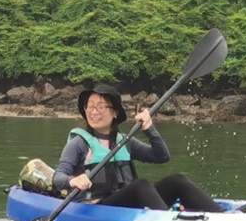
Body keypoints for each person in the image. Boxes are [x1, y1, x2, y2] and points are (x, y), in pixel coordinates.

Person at [52, 83, 223, 213]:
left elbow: (161, 156)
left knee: (177, 180)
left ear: (115, 112)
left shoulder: (124, 142)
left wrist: (149, 129)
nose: (94, 111)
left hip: (130, 202)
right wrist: (73, 181)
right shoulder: (79, 143)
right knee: (140, 185)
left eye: (101, 106)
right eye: (90, 106)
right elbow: (58, 177)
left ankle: (221, 217)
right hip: (98, 207)